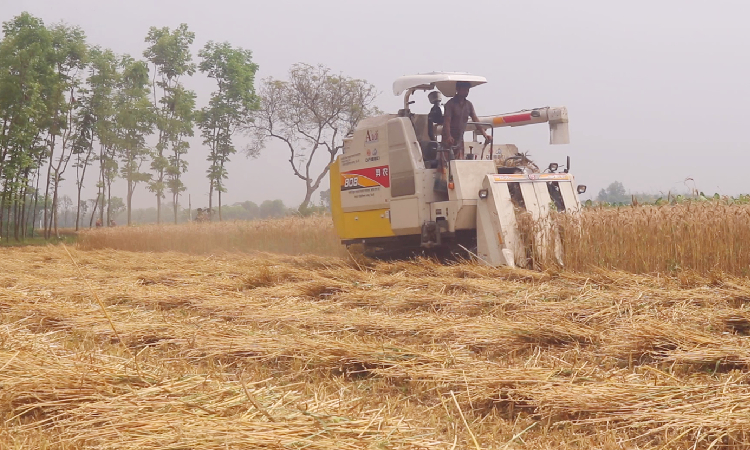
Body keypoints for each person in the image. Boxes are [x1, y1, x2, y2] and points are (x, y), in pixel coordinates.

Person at [442, 81, 492, 159]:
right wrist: (448, 136)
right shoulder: (450, 104)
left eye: (467, 90)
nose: (466, 92)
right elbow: (447, 121)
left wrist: (485, 135)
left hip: (460, 138)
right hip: (449, 138)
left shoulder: (469, 105)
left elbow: (476, 120)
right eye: (464, 89)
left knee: (459, 161)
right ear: (458, 89)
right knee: (446, 162)